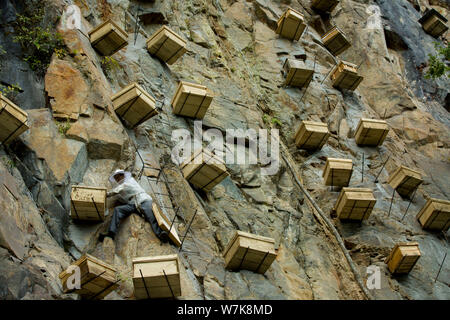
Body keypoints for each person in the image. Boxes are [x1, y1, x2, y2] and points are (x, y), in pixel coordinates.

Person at [98, 169, 170, 243]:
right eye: (116, 178)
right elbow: (121, 197)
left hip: (143, 200)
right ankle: (111, 233)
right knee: (118, 209)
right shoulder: (122, 188)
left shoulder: (129, 181)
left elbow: (119, 189)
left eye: (118, 176)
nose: (117, 179)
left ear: (123, 175)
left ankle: (161, 234)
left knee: (151, 217)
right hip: (133, 205)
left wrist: (107, 194)